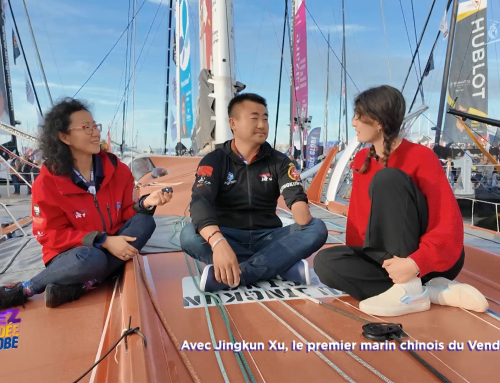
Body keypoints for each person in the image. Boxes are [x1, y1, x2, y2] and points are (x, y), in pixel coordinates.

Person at [313, 85, 488, 316]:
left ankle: (411, 288)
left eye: (358, 116)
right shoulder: (362, 159)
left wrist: (415, 263)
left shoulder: (421, 157)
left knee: (388, 178)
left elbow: (447, 222)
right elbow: (362, 222)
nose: (353, 122)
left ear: (378, 121)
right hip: (390, 264)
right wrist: (364, 256)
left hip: (428, 260)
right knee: (324, 262)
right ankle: (427, 292)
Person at [0, 98, 172, 310]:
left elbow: (126, 212)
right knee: (93, 258)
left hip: (112, 241)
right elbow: (48, 235)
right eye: (85, 127)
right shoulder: (47, 182)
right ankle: (28, 288)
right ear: (64, 137)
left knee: (146, 222)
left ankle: (82, 286)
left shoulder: (118, 169)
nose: (95, 133)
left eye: (94, 126)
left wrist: (146, 203)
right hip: (74, 255)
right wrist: (103, 241)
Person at [180, 93, 327, 292]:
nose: (261, 124)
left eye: (265, 119)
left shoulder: (280, 161)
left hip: (268, 236)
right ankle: (278, 265)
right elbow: (200, 203)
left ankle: (239, 274)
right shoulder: (214, 160)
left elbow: (301, 216)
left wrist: (298, 201)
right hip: (227, 235)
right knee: (189, 234)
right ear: (233, 123)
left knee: (316, 227)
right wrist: (218, 242)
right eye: (254, 118)